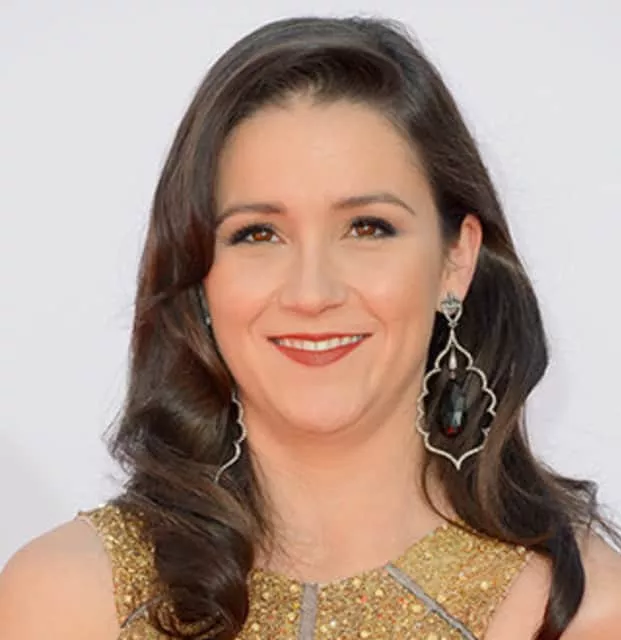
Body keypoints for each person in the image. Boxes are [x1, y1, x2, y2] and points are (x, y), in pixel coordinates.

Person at [1, 15, 620, 640]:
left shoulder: (583, 613)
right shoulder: (69, 600)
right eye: (258, 234)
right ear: (200, 276)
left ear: (456, 260)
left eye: (368, 228)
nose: (312, 293)